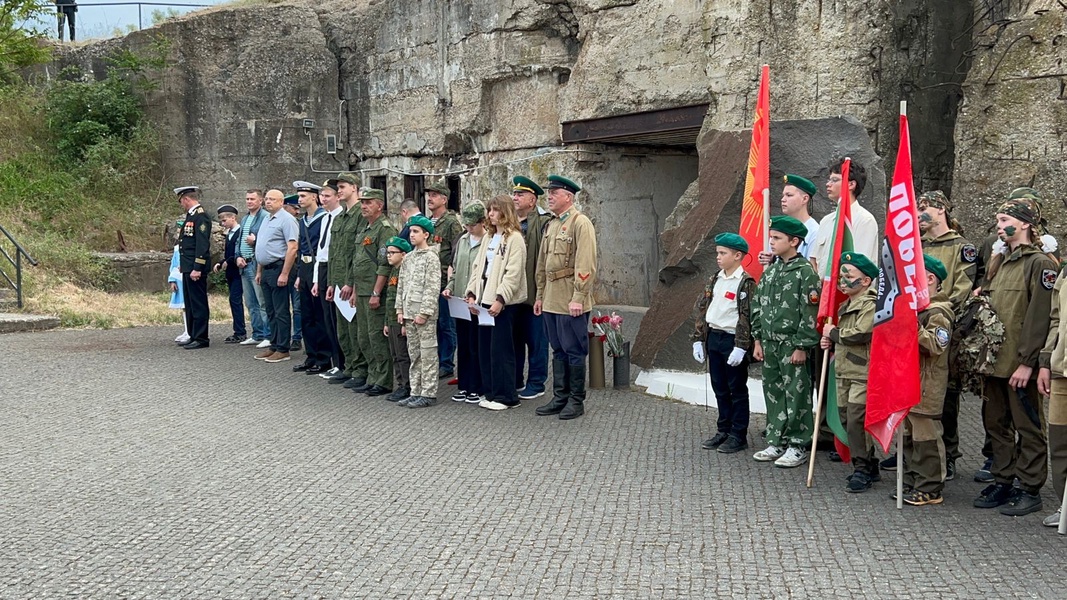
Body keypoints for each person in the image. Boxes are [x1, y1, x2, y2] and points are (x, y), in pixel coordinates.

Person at [973, 191, 1057, 516]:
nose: (999, 226)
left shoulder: (1039, 264)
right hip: (994, 363)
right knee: (995, 424)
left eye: (1005, 220)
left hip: (1018, 364)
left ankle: (1029, 487)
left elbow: (1039, 316)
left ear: (1024, 224)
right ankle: (1003, 479)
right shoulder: (1000, 263)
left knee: (1028, 426)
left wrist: (1027, 362)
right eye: (998, 220)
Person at [894, 190, 978, 480]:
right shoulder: (916, 245)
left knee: (945, 395)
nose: (919, 213)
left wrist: (932, 311)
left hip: (944, 324)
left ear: (941, 209)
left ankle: (948, 454)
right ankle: (912, 453)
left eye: (925, 207)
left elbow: (962, 288)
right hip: (915, 323)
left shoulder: (961, 247)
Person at [750, 215, 820, 467]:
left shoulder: (804, 273)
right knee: (773, 391)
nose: (771, 242)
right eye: (771, 237)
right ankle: (776, 439)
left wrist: (802, 345)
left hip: (792, 345)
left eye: (777, 238)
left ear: (794, 241)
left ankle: (798, 443)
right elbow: (758, 305)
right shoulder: (772, 271)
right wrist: (757, 339)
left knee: (797, 394)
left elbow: (809, 312)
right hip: (770, 343)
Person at [534, 175, 598, 420]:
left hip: (570, 297)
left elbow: (586, 262)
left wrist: (579, 297)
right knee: (558, 349)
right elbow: (542, 263)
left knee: (574, 350)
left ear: (568, 197)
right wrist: (540, 295)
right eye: (549, 192)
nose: (549, 196)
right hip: (551, 297)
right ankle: (560, 397)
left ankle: (575, 400)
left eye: (554, 192)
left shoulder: (580, 223)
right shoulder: (551, 224)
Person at [691, 232, 756, 455]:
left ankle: (739, 434)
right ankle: (723, 429)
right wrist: (698, 339)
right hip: (714, 337)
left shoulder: (745, 282)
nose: (718, 257)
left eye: (723, 253)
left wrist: (742, 345)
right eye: (717, 252)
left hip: (732, 339)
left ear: (738, 255)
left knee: (736, 388)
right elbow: (704, 309)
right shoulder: (715, 278)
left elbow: (746, 315)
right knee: (719, 387)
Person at [820, 252, 878, 491]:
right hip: (844, 370)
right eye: (842, 274)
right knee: (845, 418)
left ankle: (862, 468)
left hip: (861, 372)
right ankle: (870, 463)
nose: (843, 280)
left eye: (849, 275)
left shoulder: (871, 304)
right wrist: (830, 341)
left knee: (856, 420)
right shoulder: (845, 305)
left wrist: (833, 333)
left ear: (865, 281)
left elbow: (861, 333)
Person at [899, 255, 954, 506]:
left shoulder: (939, 312)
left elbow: (935, 345)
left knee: (927, 437)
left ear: (929, 279)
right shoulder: (918, 309)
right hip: (909, 381)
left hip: (927, 384)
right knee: (910, 435)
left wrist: (912, 325)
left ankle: (931, 486)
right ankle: (913, 478)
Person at [466, 195, 528, 411]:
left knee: (502, 350)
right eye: (489, 210)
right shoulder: (488, 238)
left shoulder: (515, 239)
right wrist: (472, 292)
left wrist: (501, 298)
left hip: (504, 304)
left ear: (505, 212)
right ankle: (491, 391)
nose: (490, 214)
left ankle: (507, 396)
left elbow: (513, 273)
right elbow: (478, 267)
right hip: (484, 300)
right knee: (486, 349)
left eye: (495, 210)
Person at [350, 187, 398, 397]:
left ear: (380, 204)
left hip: (374, 291)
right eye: (362, 202)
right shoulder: (364, 228)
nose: (364, 206)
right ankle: (372, 375)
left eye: (369, 202)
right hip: (361, 290)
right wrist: (353, 289)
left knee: (376, 336)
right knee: (363, 337)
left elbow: (384, 264)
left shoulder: (384, 229)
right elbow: (356, 261)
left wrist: (377, 292)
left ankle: (384, 380)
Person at [512, 176, 552, 400]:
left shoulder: (544, 222)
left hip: (534, 292)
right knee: (515, 340)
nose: (515, 197)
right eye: (514, 194)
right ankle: (516, 379)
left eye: (520, 194)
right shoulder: (509, 224)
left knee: (537, 341)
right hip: (513, 295)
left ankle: (536, 383)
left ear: (532, 200)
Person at [396, 215, 441, 408]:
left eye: (416, 232)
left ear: (426, 234)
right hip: (408, 313)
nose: (411, 235)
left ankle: (428, 392)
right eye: (410, 231)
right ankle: (416, 390)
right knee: (414, 354)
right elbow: (401, 284)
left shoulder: (431, 257)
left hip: (424, 316)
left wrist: (425, 312)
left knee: (428, 353)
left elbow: (432, 287)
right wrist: (400, 309)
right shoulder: (409, 258)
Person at [445, 200, 487, 404]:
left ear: (482, 222)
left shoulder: (488, 241)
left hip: (477, 302)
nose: (469, 229)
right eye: (467, 225)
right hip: (459, 300)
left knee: (476, 345)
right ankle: (464, 384)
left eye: (472, 225)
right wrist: (449, 287)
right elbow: (455, 268)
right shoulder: (462, 241)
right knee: (463, 344)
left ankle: (477, 386)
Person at [330, 173, 370, 389]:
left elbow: (358, 255)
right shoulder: (340, 218)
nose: (339, 191)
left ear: (354, 188)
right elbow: (334, 253)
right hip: (338, 281)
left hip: (350, 282)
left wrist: (351, 283)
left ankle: (360, 369)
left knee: (356, 330)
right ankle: (350, 367)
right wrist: (330, 283)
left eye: (343, 186)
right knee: (343, 330)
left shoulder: (360, 216)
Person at [809, 159, 879, 277]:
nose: (828, 184)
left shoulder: (865, 220)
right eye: (829, 179)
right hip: (824, 290)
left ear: (851, 184)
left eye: (835, 180)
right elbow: (814, 261)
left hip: (849, 292)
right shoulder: (826, 221)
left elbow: (859, 266)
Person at [254, 189, 299, 363]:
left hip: (279, 268)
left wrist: (285, 273)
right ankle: (273, 344)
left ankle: (283, 348)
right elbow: (261, 245)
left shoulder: (287, 220)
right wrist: (259, 271)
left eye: (272, 199)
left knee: (281, 310)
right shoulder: (266, 218)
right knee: (270, 310)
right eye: (266, 199)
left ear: (281, 202)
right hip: (266, 269)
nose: (268, 202)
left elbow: (292, 248)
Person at [425, 181, 464, 379]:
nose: (430, 198)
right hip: (428, 282)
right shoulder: (428, 222)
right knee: (433, 323)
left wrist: (451, 278)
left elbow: (457, 251)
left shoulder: (451, 222)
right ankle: (437, 359)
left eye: (434, 195)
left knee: (446, 325)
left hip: (443, 281)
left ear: (444, 199)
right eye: (429, 195)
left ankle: (446, 362)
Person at [1038, 263, 1067, 529]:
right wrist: (1046, 362)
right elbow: (1056, 320)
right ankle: (1065, 505)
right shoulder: (1065, 271)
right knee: (1059, 442)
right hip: (1061, 372)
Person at [291, 181, 330, 373]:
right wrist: (299, 274)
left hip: (317, 267)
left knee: (319, 315)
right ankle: (311, 355)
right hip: (305, 269)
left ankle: (323, 358)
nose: (300, 200)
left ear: (314, 197)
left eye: (303, 196)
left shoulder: (323, 218)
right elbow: (300, 248)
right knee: (306, 315)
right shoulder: (302, 221)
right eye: (299, 196)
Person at [312, 179, 346, 380]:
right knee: (327, 319)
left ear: (337, 197)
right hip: (323, 268)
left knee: (336, 319)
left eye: (327, 195)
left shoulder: (341, 217)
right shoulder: (324, 218)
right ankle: (335, 362)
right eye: (321, 195)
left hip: (334, 268)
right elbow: (320, 251)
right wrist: (317, 280)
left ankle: (342, 363)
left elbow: (335, 252)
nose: (323, 199)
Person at [175, 186, 211, 349]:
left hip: (195, 267)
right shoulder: (191, 216)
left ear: (186, 199)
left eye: (181, 201)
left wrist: (197, 267)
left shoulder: (200, 217)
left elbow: (202, 245)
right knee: (189, 303)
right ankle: (192, 333)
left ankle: (202, 337)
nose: (181, 204)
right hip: (188, 266)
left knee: (198, 302)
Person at [236, 189, 271, 347]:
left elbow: (266, 241)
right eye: (247, 199)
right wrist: (238, 256)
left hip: (257, 264)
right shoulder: (244, 219)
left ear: (260, 201)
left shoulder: (265, 217)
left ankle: (268, 334)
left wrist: (255, 242)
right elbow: (239, 240)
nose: (249, 201)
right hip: (244, 264)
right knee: (250, 302)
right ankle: (256, 333)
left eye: (252, 199)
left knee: (262, 301)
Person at [383, 237, 413, 402]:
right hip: (392, 319)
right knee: (395, 354)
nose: (389, 256)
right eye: (388, 252)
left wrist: (404, 322)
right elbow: (390, 299)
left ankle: (407, 386)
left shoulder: (405, 271)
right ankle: (401, 383)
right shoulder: (393, 271)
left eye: (392, 253)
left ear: (403, 254)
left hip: (401, 320)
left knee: (403, 355)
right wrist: (387, 322)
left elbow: (404, 298)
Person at [212, 204, 247, 344]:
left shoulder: (240, 232)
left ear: (233, 218)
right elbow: (228, 253)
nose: (222, 223)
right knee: (233, 301)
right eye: (221, 221)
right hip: (231, 272)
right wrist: (221, 262)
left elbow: (239, 253)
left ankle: (240, 332)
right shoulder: (229, 234)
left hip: (238, 271)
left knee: (236, 300)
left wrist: (230, 260)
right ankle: (238, 330)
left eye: (224, 220)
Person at [282, 194, 304, 351]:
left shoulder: (297, 224)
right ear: (285, 207)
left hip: (296, 267)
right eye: (294, 208)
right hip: (281, 267)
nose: (297, 212)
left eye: (298, 209)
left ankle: (297, 337)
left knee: (297, 306)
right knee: (282, 306)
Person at [167, 219, 189, 345]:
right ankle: (186, 330)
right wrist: (172, 280)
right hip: (178, 278)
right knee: (183, 307)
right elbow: (173, 264)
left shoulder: (188, 246)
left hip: (185, 278)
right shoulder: (177, 248)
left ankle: (190, 331)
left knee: (187, 306)